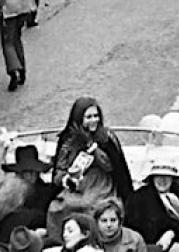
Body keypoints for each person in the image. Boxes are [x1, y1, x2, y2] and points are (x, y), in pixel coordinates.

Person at [46, 98, 132, 241]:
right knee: (57, 208)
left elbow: (112, 166)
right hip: (77, 184)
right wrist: (67, 179)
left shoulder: (106, 137)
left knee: (92, 205)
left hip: (101, 183)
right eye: (89, 117)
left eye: (96, 116)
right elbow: (60, 169)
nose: (93, 120)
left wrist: (94, 149)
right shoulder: (68, 139)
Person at [126, 162, 179, 251]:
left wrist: (172, 233)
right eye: (158, 176)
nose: (162, 180)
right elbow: (130, 228)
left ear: (172, 178)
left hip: (175, 245)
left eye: (167, 176)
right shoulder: (138, 197)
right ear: (152, 178)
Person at [0, 146, 55, 241]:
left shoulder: (48, 193)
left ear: (34, 173)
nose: (20, 176)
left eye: (25, 172)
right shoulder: (12, 191)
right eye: (19, 173)